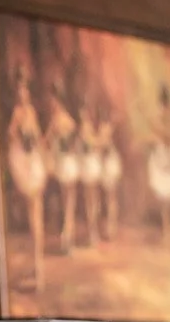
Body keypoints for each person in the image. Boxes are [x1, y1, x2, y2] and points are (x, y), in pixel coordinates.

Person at [6, 68, 48, 285]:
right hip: (27, 163)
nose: (23, 95)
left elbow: (38, 138)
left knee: (36, 217)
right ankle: (36, 268)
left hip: (34, 165)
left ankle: (38, 269)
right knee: (33, 217)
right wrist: (22, 139)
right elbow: (12, 136)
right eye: (19, 92)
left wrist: (41, 155)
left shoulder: (30, 111)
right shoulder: (18, 113)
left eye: (25, 91)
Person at [146, 83, 170, 247]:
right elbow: (156, 135)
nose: (165, 107)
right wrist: (160, 135)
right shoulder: (158, 116)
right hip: (161, 154)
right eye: (163, 103)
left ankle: (169, 228)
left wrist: (166, 135)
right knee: (164, 197)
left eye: (166, 103)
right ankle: (166, 228)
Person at [45, 83, 79, 254]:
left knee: (69, 203)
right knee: (68, 204)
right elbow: (50, 142)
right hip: (65, 164)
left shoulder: (60, 120)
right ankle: (67, 239)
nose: (51, 103)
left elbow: (52, 142)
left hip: (66, 164)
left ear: (58, 101)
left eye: (53, 100)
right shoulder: (64, 120)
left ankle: (67, 239)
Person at [77, 106, 103, 246]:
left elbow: (94, 145)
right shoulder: (85, 129)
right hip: (89, 167)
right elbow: (93, 144)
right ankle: (92, 233)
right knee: (91, 201)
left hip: (91, 165)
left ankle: (93, 232)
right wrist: (102, 138)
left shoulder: (86, 129)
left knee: (93, 200)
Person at [98, 111, 122, 239]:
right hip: (107, 165)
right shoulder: (107, 129)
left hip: (110, 165)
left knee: (111, 198)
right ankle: (110, 227)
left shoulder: (106, 130)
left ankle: (112, 227)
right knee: (110, 198)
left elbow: (102, 145)